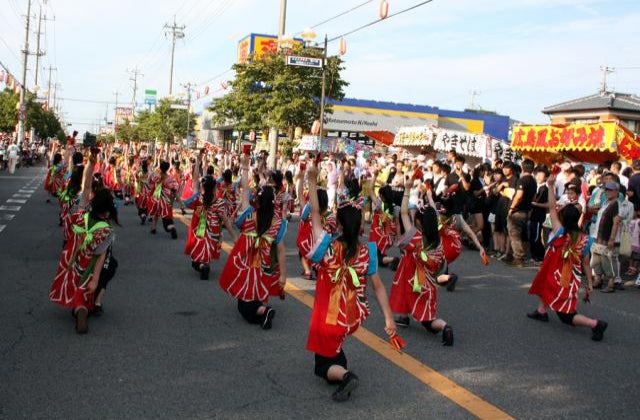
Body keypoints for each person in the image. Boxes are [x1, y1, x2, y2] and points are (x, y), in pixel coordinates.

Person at [300, 161, 396, 402]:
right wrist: (388, 318)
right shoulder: (368, 252)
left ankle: (345, 377)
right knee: (335, 351)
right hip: (350, 314)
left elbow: (314, 214)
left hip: (328, 315)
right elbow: (378, 286)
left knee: (321, 367)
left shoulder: (328, 249)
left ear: (340, 224)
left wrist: (312, 182)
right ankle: (340, 366)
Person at [527, 175, 608, 342]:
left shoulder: (559, 232)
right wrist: (590, 284)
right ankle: (541, 311)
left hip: (560, 278)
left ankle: (595, 324)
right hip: (567, 277)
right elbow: (586, 263)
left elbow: (550, 208)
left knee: (566, 316)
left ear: (563, 217)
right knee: (542, 286)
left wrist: (550, 186)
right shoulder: (584, 239)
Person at [49, 151, 118, 334]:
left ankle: (80, 309)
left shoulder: (82, 214)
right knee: (86, 294)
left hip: (74, 260)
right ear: (109, 210)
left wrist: (91, 162)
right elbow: (101, 256)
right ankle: (84, 309)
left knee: (77, 288)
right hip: (90, 266)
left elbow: (86, 186)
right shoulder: (105, 229)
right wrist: (95, 280)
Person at [218, 155, 287, 329]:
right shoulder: (277, 222)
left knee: (243, 306)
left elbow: (244, 196)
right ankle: (262, 309)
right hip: (264, 266)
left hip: (248, 265)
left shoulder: (249, 216)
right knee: (255, 296)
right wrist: (283, 276)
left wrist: (245, 167)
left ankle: (263, 310)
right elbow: (280, 250)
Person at [390, 177, 453, 345]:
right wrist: (430, 196)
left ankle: (443, 326)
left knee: (427, 321)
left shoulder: (415, 236)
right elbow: (433, 212)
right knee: (427, 314)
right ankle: (439, 325)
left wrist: (407, 190)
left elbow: (404, 213)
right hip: (428, 283)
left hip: (412, 278)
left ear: (419, 221)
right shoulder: (436, 240)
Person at [184, 152, 237, 280]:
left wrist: (198, 160)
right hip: (213, 234)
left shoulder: (199, 199)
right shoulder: (219, 203)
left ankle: (203, 266)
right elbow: (226, 221)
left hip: (199, 231)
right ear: (215, 189)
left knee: (196, 258)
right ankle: (204, 264)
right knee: (208, 247)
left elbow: (195, 178)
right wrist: (235, 238)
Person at [507, 159, 537, 267]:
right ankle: (517, 257)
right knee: (521, 235)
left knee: (515, 235)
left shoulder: (522, 180)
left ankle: (518, 258)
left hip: (518, 211)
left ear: (523, 167)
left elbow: (519, 195)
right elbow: (533, 197)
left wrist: (512, 207)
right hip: (526, 211)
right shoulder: (533, 182)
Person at [149, 161, 180, 238]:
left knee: (156, 213)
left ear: (160, 168)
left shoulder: (157, 177)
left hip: (157, 198)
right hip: (166, 199)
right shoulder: (170, 178)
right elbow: (175, 188)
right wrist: (180, 201)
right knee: (167, 219)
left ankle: (153, 227)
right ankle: (171, 227)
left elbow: (151, 180)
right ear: (168, 168)